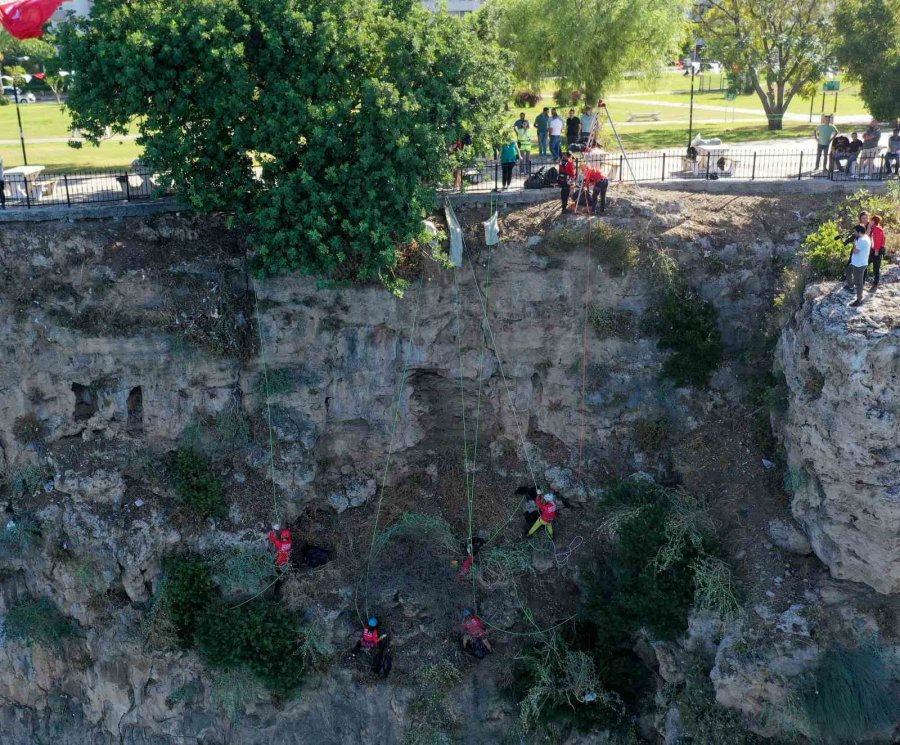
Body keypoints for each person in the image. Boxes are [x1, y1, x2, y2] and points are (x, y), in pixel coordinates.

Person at [844, 225, 872, 307]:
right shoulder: (864, 237)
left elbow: (855, 251)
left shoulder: (862, 240)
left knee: (859, 282)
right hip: (855, 262)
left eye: (855, 232)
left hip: (859, 265)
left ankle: (859, 300)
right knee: (848, 271)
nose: (854, 233)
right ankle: (851, 286)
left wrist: (854, 243)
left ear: (859, 232)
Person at [868, 215, 886, 290]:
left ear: (874, 221)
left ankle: (875, 284)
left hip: (876, 251)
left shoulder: (876, 229)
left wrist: (876, 251)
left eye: (871, 220)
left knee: (876, 268)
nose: (870, 221)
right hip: (874, 250)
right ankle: (875, 283)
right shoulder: (877, 228)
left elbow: (877, 241)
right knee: (874, 267)